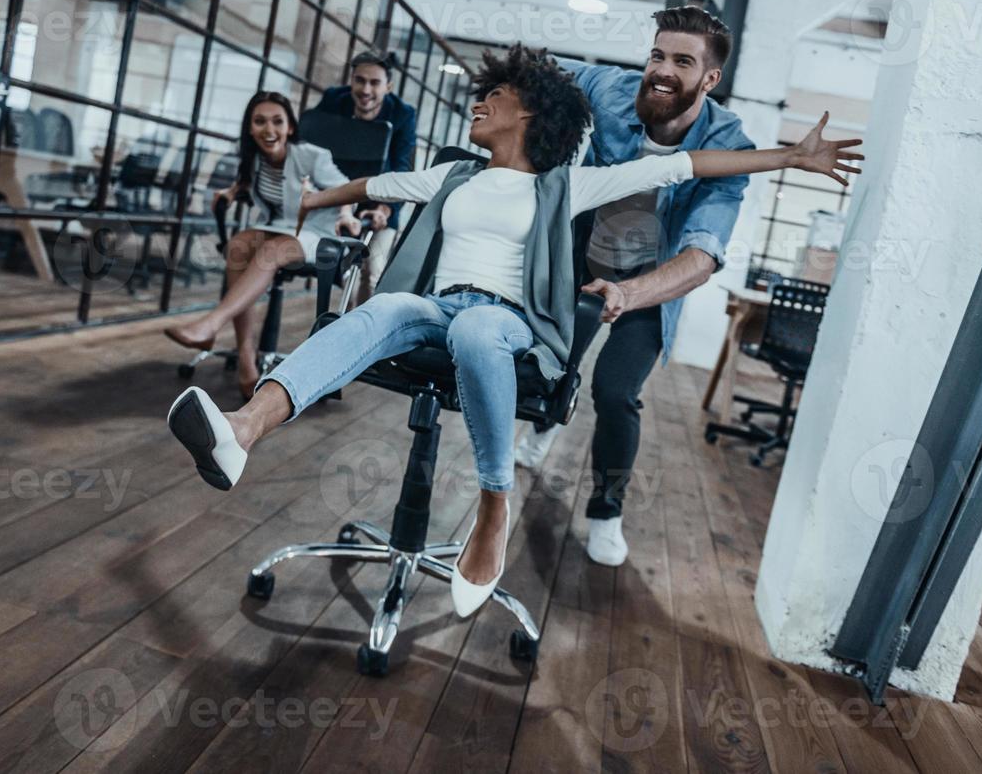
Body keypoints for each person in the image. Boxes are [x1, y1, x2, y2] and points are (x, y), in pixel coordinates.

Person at [165, 45, 861, 617]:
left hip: (508, 323)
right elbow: (374, 186)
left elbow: (686, 164)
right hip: (436, 306)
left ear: (526, 112)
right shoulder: (452, 175)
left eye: (491, 98)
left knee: (475, 332)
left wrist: (788, 159)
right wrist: (312, 199)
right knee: (380, 310)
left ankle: (493, 506)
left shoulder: (564, 185)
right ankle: (243, 432)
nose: (478, 103)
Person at [512, 5, 761, 568]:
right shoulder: (613, 89)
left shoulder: (730, 147)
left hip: (651, 283)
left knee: (616, 392)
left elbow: (701, 257)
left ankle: (606, 510)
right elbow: (536, 68)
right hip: (585, 256)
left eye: (682, 61)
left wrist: (631, 295)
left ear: (710, 78)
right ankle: (544, 428)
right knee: (554, 366)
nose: (663, 70)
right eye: (657, 54)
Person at [162, 91, 361, 400]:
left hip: (318, 230)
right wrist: (231, 191)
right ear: (250, 128)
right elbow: (258, 184)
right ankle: (246, 358)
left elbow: (348, 190)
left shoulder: (312, 156)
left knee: (270, 251)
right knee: (239, 244)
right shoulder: (254, 158)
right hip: (279, 226)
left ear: (290, 127)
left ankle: (211, 324)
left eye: (277, 122)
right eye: (260, 122)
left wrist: (348, 216)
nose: (269, 130)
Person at [310, 50, 418, 302]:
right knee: (343, 271)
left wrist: (385, 209)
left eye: (375, 82)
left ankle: (362, 327)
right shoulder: (334, 101)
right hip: (339, 197)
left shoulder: (403, 114)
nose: (365, 89)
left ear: (388, 86)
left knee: (371, 272)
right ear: (351, 80)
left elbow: (402, 166)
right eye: (360, 80)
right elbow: (312, 146)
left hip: (382, 200)